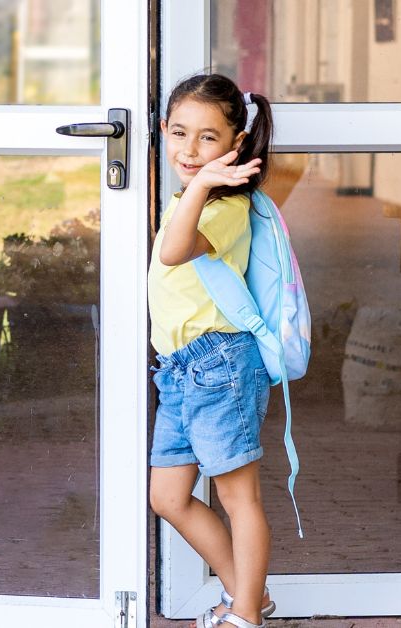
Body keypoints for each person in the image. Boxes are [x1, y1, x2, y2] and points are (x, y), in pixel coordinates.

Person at [147, 73, 276, 628]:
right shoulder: (190, 197)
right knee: (168, 497)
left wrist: (200, 188)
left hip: (219, 364)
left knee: (237, 497)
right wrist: (192, 190)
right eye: (180, 134)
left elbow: (176, 252)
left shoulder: (226, 205)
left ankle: (244, 614)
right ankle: (249, 592)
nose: (191, 150)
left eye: (208, 137)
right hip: (179, 371)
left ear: (237, 143)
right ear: (162, 131)